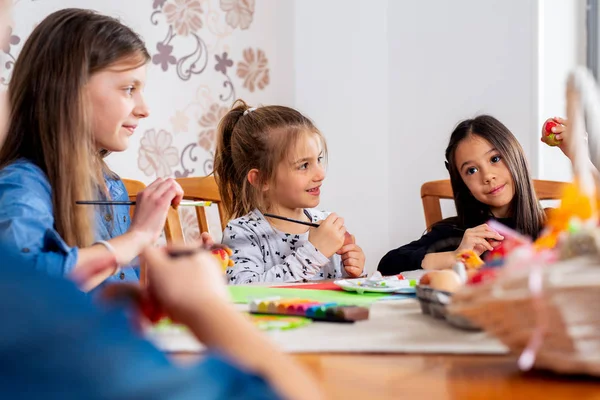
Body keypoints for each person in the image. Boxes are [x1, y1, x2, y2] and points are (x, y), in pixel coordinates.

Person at [0, 8, 183, 290]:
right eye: (128, 89)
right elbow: (26, 282)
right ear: (70, 90)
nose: (145, 109)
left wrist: (181, 273)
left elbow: (115, 290)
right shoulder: (23, 183)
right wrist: (137, 236)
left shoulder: (112, 186)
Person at [378, 115, 574, 274]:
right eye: (471, 170)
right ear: (463, 183)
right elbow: (388, 263)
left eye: (495, 158)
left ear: (515, 155)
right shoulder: (460, 234)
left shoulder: (553, 227)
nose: (488, 176)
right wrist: (454, 256)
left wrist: (577, 154)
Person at [214, 100, 366, 284]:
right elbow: (243, 290)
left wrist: (353, 271)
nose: (321, 174)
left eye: (318, 159)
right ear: (263, 180)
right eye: (303, 165)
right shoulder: (243, 232)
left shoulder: (325, 225)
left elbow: (340, 291)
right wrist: (314, 252)